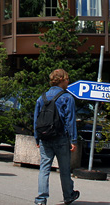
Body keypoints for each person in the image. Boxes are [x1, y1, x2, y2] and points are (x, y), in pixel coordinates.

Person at [34, 68, 80, 205]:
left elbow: (36, 120)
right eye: (67, 79)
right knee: (64, 169)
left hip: (45, 138)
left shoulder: (41, 97)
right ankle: (68, 195)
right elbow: (70, 121)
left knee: (44, 168)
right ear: (62, 80)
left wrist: (37, 137)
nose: (68, 81)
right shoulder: (67, 97)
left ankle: (41, 199)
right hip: (61, 138)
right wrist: (73, 140)